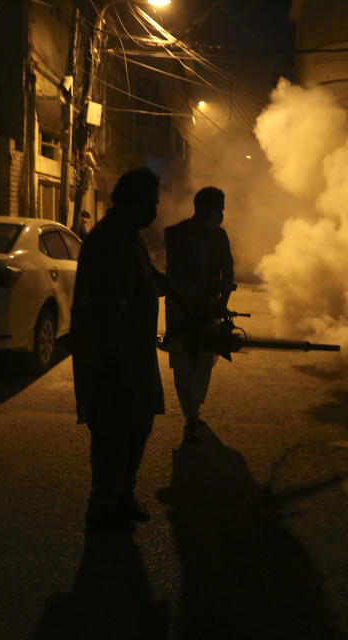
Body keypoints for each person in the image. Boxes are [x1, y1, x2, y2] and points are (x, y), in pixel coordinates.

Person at [70, 167, 166, 533]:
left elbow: (147, 276)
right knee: (114, 433)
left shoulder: (129, 237)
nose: (155, 210)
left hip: (134, 356)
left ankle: (121, 495)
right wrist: (116, 367)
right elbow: (107, 309)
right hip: (114, 360)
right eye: (152, 202)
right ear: (135, 202)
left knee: (137, 426)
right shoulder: (109, 241)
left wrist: (172, 288)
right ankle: (105, 505)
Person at [163, 186, 235, 443]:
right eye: (219, 210)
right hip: (180, 310)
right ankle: (191, 415)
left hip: (209, 310)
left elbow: (228, 273)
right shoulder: (174, 235)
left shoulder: (220, 238)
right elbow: (174, 274)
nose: (221, 215)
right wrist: (185, 302)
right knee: (182, 364)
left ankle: (193, 411)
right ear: (204, 210)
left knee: (204, 361)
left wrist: (222, 303)